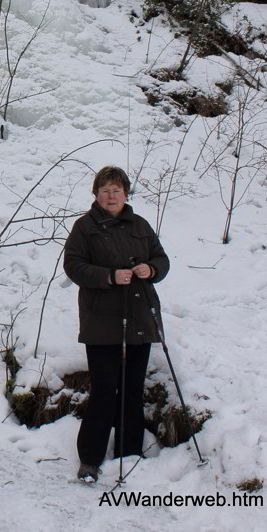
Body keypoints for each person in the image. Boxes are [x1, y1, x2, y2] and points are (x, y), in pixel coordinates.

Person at [63, 165, 169, 483]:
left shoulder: (140, 225)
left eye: (117, 190)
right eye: (105, 190)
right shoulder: (85, 227)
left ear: (126, 193)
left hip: (140, 318)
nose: (111, 196)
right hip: (102, 322)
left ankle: (129, 453)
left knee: (132, 391)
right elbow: (74, 266)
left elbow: (161, 259)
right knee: (106, 390)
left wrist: (150, 270)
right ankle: (90, 460)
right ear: (96, 194)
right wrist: (109, 276)